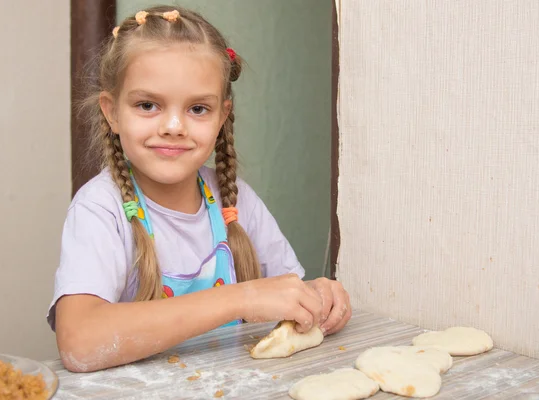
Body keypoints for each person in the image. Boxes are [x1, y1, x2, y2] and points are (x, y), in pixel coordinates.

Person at [48, 5, 351, 373]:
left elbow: (286, 295)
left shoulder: (234, 200)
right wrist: (240, 298)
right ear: (112, 112)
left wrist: (318, 297)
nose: (174, 126)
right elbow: (80, 343)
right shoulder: (101, 209)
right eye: (148, 105)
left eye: (197, 109)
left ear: (222, 116)